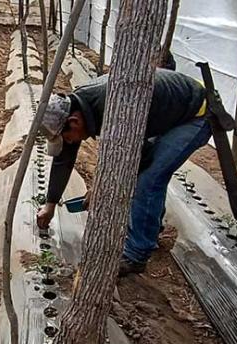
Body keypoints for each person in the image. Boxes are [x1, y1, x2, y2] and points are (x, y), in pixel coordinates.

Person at [36, 68, 210, 276]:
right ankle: (149, 231)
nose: (70, 143)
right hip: (165, 111)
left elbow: (136, 157)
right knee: (149, 175)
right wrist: (50, 204)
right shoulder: (77, 107)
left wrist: (101, 185)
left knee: (149, 179)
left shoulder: (115, 108)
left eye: (68, 138)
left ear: (74, 122)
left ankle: (137, 255)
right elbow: (64, 158)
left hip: (196, 113)